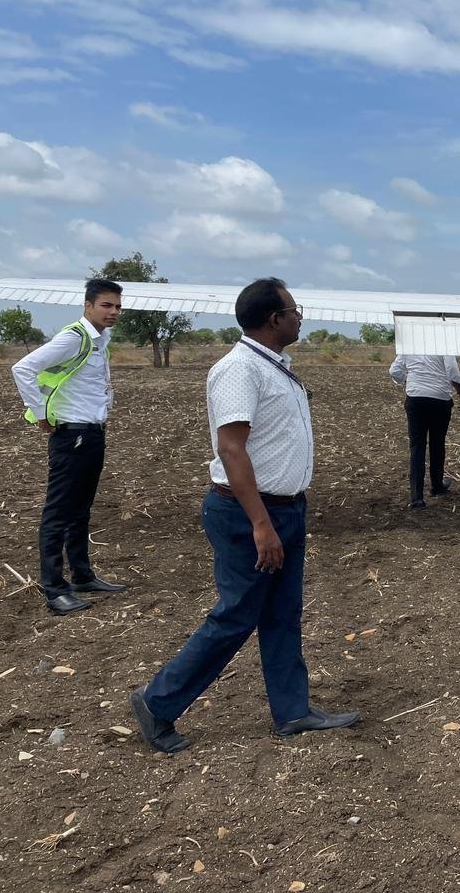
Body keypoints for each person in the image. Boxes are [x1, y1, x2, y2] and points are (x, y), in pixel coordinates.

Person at [131, 278, 358, 753]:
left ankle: (293, 711)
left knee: (282, 613)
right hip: (248, 514)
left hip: (287, 509)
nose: (300, 316)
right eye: (295, 309)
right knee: (236, 616)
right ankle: (157, 702)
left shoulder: (275, 367)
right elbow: (231, 449)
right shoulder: (239, 370)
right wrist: (260, 524)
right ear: (274, 319)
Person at [11, 278, 127, 615]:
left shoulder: (100, 340)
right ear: (88, 305)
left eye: (118, 306)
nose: (113, 312)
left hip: (91, 433)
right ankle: (54, 589)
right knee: (58, 512)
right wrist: (38, 414)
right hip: (72, 436)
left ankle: (82, 576)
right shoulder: (73, 337)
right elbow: (23, 368)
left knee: (80, 509)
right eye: (107, 305)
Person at [389, 354, 460, 508]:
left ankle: (417, 498)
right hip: (440, 399)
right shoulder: (442, 341)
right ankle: (437, 486)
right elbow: (452, 369)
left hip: (416, 399)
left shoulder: (409, 345)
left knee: (417, 447)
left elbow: (394, 371)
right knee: (437, 444)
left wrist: (408, 380)